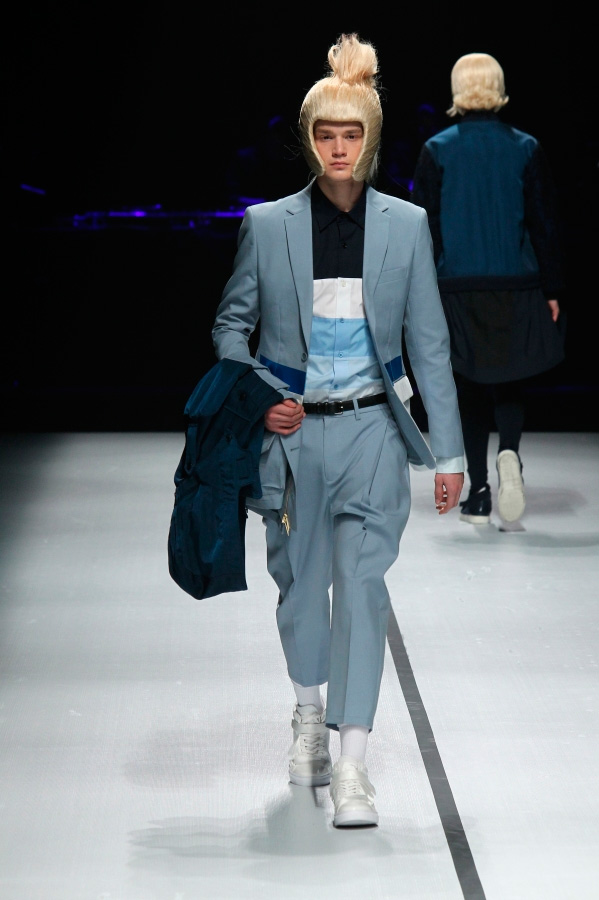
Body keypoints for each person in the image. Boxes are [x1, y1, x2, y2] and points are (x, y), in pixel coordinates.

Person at [212, 33, 464, 828]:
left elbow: (428, 342)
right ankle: (308, 716)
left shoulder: (406, 226)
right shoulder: (266, 225)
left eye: (351, 134)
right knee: (299, 590)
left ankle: (352, 764)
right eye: (325, 134)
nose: (338, 148)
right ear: (308, 139)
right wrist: (261, 398)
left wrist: (449, 453)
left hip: (372, 434)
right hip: (290, 440)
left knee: (360, 588)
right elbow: (231, 327)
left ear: (371, 139)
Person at [411, 52, 565, 526]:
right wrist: (552, 288)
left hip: (457, 286)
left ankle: (477, 493)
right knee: (509, 380)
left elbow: (425, 230)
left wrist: (419, 293)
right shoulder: (526, 147)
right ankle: (510, 454)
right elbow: (543, 224)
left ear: (457, 88)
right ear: (498, 87)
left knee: (469, 386)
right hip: (516, 283)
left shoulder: (436, 149)